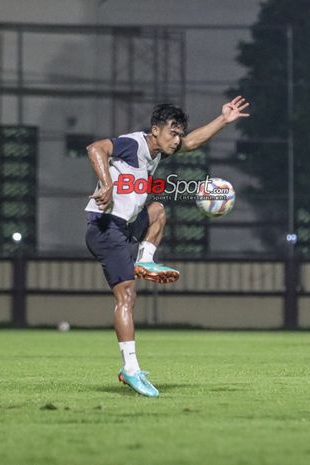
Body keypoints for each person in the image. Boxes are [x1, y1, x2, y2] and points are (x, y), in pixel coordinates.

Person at [84, 97, 250, 397]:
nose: (177, 139)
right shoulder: (134, 144)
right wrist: (106, 183)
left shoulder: (157, 152)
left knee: (158, 210)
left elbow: (194, 142)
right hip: (105, 227)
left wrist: (223, 119)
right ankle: (131, 369)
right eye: (173, 132)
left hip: (123, 226)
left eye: (178, 133)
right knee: (127, 297)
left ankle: (145, 259)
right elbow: (95, 148)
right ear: (155, 130)